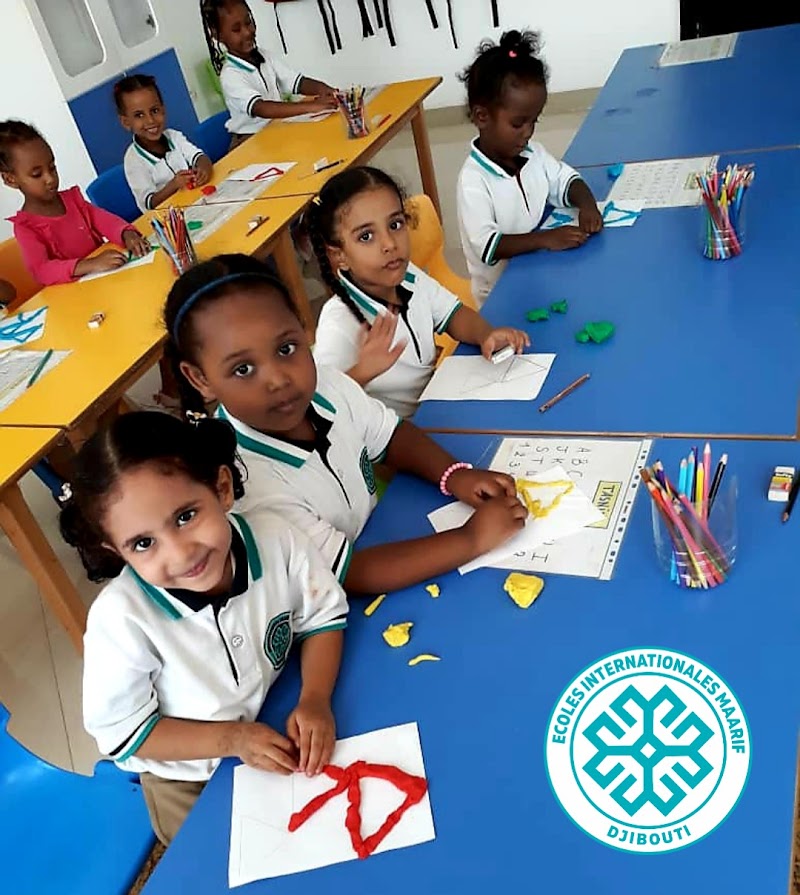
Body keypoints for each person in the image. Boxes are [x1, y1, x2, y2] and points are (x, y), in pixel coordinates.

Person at [61, 411, 347, 845]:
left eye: (185, 516)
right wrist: (233, 739)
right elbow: (124, 734)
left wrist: (315, 698)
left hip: (274, 717)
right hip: (188, 780)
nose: (180, 554)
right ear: (116, 550)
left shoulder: (276, 539)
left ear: (222, 487)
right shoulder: (119, 620)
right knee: (232, 860)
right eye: (143, 543)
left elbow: (323, 617)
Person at [164, 253, 528, 595]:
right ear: (200, 379)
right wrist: (470, 539)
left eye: (286, 348)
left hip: (383, 533)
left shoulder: (327, 384)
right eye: (243, 369)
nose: (278, 379)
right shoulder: (243, 482)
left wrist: (454, 475)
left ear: (302, 328)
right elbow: (352, 573)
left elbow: (390, 436)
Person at [308, 166, 530, 418]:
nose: (389, 244)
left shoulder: (408, 275)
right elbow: (319, 408)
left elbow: (453, 314)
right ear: (339, 256)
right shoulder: (338, 324)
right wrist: (363, 372)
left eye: (395, 224)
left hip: (437, 404)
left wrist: (485, 334)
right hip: (398, 432)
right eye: (366, 236)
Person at [456, 29, 603, 302]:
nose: (528, 132)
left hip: (538, 270)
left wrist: (587, 205)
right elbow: (488, 246)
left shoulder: (533, 154)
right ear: (482, 116)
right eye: (518, 123)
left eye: (534, 120)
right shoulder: (473, 181)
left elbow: (566, 180)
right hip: (500, 294)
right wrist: (546, 239)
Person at [0, 121, 149, 285]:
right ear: (10, 179)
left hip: (106, 279)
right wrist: (90, 264)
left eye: (52, 167)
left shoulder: (73, 200)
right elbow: (42, 271)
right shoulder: (26, 227)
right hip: (75, 292)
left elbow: (105, 221)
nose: (50, 179)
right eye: (37, 174)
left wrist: (126, 234)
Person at [201, 0, 337, 147]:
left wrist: (325, 89)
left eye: (248, 22)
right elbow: (261, 108)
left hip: (275, 129)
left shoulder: (265, 56)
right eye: (236, 29)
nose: (247, 32)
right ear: (217, 35)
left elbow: (297, 82)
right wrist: (312, 106)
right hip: (251, 142)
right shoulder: (230, 75)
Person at [115, 73, 213, 213]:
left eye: (154, 111)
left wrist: (204, 169)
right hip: (167, 217)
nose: (150, 120)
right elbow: (149, 203)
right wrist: (174, 185)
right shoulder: (133, 160)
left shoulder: (174, 136)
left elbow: (199, 156)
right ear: (126, 122)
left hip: (195, 203)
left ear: (163, 110)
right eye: (139, 115)